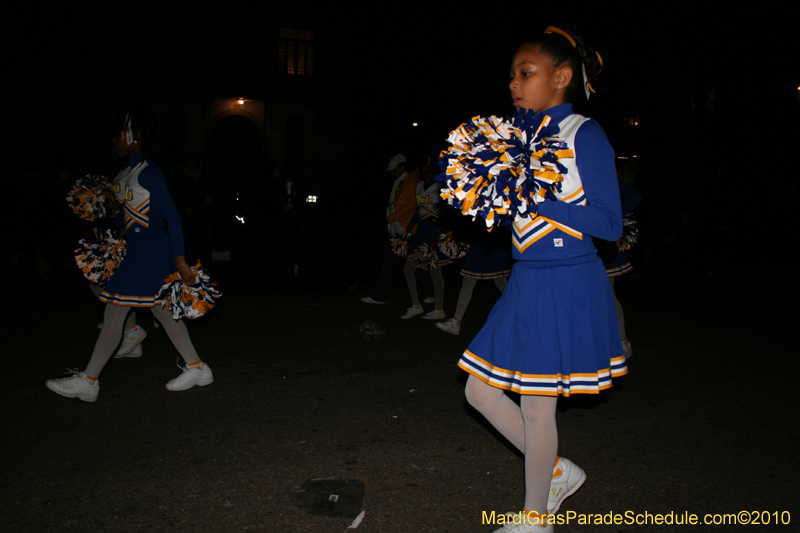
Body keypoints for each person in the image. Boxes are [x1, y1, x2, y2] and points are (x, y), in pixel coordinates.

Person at [453, 27, 627, 532]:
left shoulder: (583, 133)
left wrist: (540, 201)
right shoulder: (515, 139)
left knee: (535, 408)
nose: (513, 83)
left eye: (525, 73)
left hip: (566, 280)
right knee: (479, 393)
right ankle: (554, 472)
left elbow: (609, 224)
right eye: (511, 74)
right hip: (526, 280)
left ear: (562, 77)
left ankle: (536, 518)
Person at [46, 106, 212, 402]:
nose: (115, 139)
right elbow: (128, 219)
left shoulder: (151, 172)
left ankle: (90, 380)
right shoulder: (125, 172)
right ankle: (196, 366)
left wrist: (179, 259)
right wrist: (113, 216)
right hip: (136, 251)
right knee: (158, 310)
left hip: (152, 251)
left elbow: (172, 216)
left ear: (138, 136)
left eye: (122, 133)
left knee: (117, 311)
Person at [361, 154, 420, 304]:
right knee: (393, 263)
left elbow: (411, 205)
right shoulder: (400, 181)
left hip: (406, 230)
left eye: (394, 170)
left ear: (402, 167)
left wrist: (391, 218)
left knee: (417, 262)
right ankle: (378, 295)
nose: (392, 173)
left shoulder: (411, 181)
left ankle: (432, 293)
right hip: (396, 229)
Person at [435, 227, 511, 335]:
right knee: (499, 283)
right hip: (488, 243)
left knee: (496, 283)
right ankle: (455, 322)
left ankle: (455, 322)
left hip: (486, 244)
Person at [397, 163, 449, 320]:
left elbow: (444, 213)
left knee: (435, 272)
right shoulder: (419, 186)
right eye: (423, 172)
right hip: (420, 233)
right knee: (408, 269)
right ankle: (416, 305)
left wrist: (435, 235)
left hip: (433, 234)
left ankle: (439, 309)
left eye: (429, 172)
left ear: (434, 172)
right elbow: (419, 210)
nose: (426, 175)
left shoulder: (441, 187)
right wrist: (410, 226)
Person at [600, 179, 642, 359]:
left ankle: (622, 341)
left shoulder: (601, 173)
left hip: (600, 242)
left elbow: (635, 196)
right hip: (582, 240)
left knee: (607, 294)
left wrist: (614, 216)